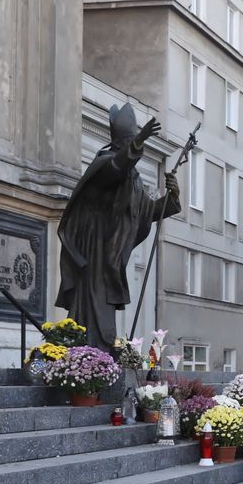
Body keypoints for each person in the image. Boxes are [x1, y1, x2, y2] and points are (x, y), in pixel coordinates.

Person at [56, 104, 181, 348]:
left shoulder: (133, 179)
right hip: (94, 251)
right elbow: (116, 169)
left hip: (109, 256)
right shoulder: (104, 164)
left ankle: (98, 358)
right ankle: (91, 357)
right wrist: (138, 143)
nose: (137, 147)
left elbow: (145, 211)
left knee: (104, 311)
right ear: (123, 144)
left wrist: (172, 197)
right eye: (132, 142)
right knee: (95, 309)